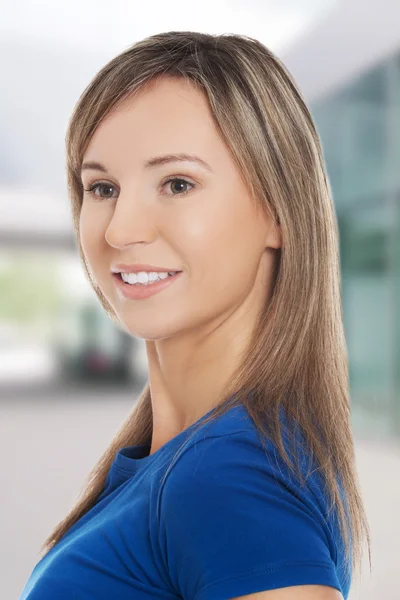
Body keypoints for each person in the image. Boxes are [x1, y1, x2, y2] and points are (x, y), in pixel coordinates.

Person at [19, 31, 371, 600]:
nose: (119, 229)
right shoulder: (188, 464)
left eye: (177, 183)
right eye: (102, 187)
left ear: (279, 212)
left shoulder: (227, 479)